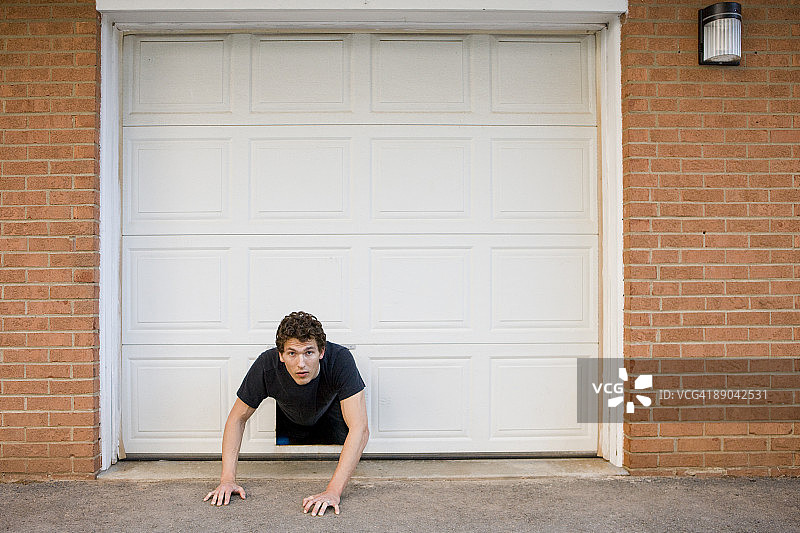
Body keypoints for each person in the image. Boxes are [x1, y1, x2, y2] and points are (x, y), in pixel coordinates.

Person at [203, 311, 369, 516]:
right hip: (290, 416)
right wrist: (227, 480)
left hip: (330, 414)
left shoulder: (340, 359)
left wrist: (333, 492)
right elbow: (237, 418)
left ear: (321, 352)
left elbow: (360, 428)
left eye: (309, 352)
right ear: (280, 355)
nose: (301, 363)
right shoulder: (267, 365)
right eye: (292, 353)